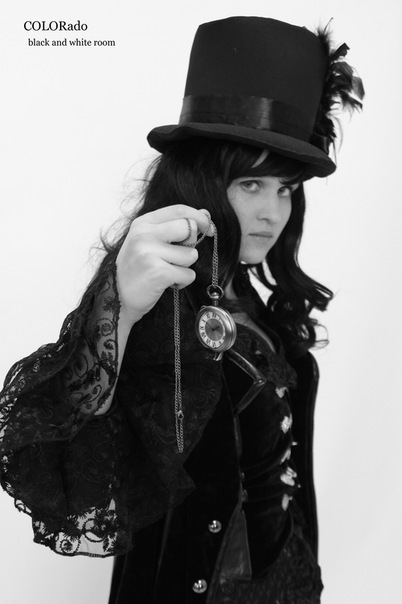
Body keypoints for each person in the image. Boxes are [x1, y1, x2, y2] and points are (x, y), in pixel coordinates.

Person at [0, 16, 363, 604]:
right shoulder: (158, 304)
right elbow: (64, 471)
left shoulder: (248, 297)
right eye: (251, 184)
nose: (273, 213)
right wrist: (116, 307)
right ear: (203, 179)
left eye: (286, 189)